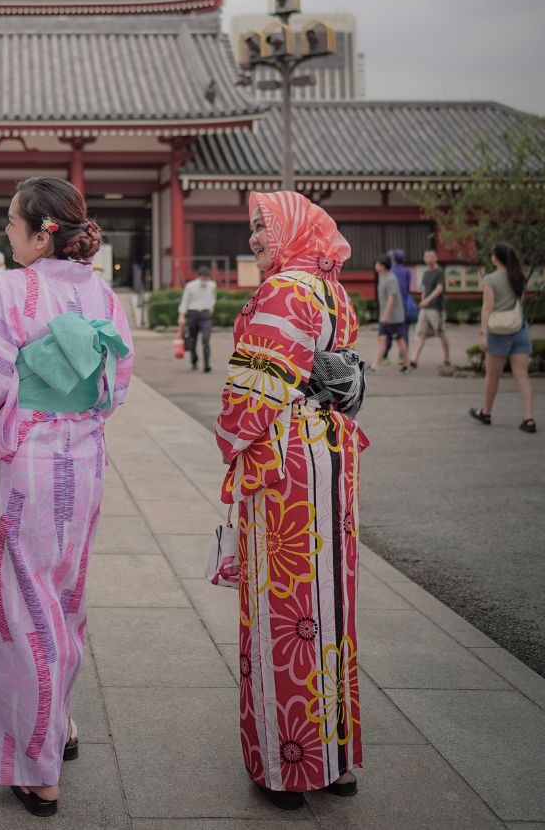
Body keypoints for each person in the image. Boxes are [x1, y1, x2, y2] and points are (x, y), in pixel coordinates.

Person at [0, 177, 133, 817]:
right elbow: (117, 384)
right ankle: (61, 718)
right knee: (65, 593)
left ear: (42, 229)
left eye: (10, 220)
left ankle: (37, 763)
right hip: (82, 456)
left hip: (24, 459)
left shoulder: (6, 288)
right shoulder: (102, 293)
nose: (5, 230)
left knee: (19, 604)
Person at [216, 191, 366, 810]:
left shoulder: (282, 293)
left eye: (262, 228)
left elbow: (250, 395)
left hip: (283, 463)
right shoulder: (334, 290)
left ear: (291, 231)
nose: (254, 240)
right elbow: (347, 372)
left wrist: (228, 435)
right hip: (331, 452)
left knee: (284, 603)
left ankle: (286, 762)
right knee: (331, 603)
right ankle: (334, 758)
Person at [469, 242, 535, 433]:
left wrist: (483, 333)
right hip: (519, 329)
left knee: (493, 375)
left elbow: (488, 307)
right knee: (522, 376)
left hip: (498, 333)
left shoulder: (490, 279)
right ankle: (528, 419)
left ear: (495, 258)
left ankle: (486, 412)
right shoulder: (518, 277)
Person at [408, 248, 450, 369]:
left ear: (435, 257)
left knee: (441, 333)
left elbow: (439, 288)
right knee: (420, 333)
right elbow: (424, 289)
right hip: (425, 308)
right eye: (426, 257)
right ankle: (414, 359)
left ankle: (447, 359)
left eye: (430, 256)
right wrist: (422, 301)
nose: (428, 259)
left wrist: (427, 300)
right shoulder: (426, 273)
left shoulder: (439, 272)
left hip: (436, 308)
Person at [177, 262, 217, 371]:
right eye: (204, 276)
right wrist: (181, 316)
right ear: (199, 275)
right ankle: (194, 361)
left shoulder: (212, 285)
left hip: (205, 314)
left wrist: (211, 306)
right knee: (193, 339)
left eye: (207, 276)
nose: (205, 278)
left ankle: (207, 364)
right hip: (193, 313)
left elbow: (213, 297)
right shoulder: (190, 286)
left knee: (206, 339)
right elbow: (185, 301)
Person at [373, 255, 409, 371]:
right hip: (386, 317)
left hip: (393, 317)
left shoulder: (391, 278)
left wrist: (386, 314)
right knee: (382, 339)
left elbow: (392, 297)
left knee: (399, 340)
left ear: (383, 266)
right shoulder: (382, 276)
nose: (375, 266)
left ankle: (407, 364)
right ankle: (375, 365)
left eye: (377, 263)